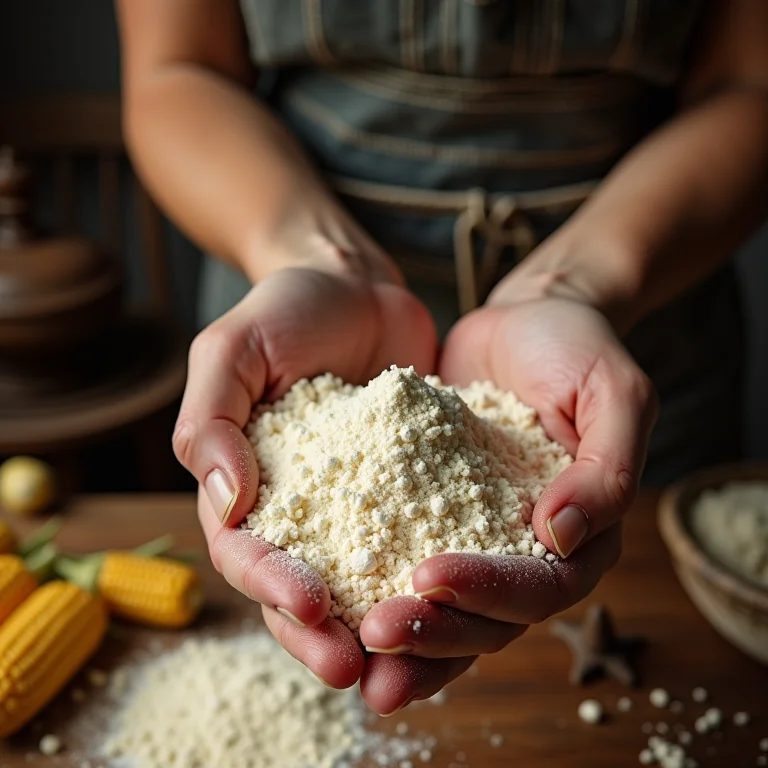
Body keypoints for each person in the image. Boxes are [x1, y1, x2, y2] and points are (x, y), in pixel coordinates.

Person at [116, 0, 768, 715]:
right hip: (290, 279)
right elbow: (178, 71)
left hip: (631, 292)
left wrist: (574, 284)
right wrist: (315, 256)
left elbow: (749, 84)